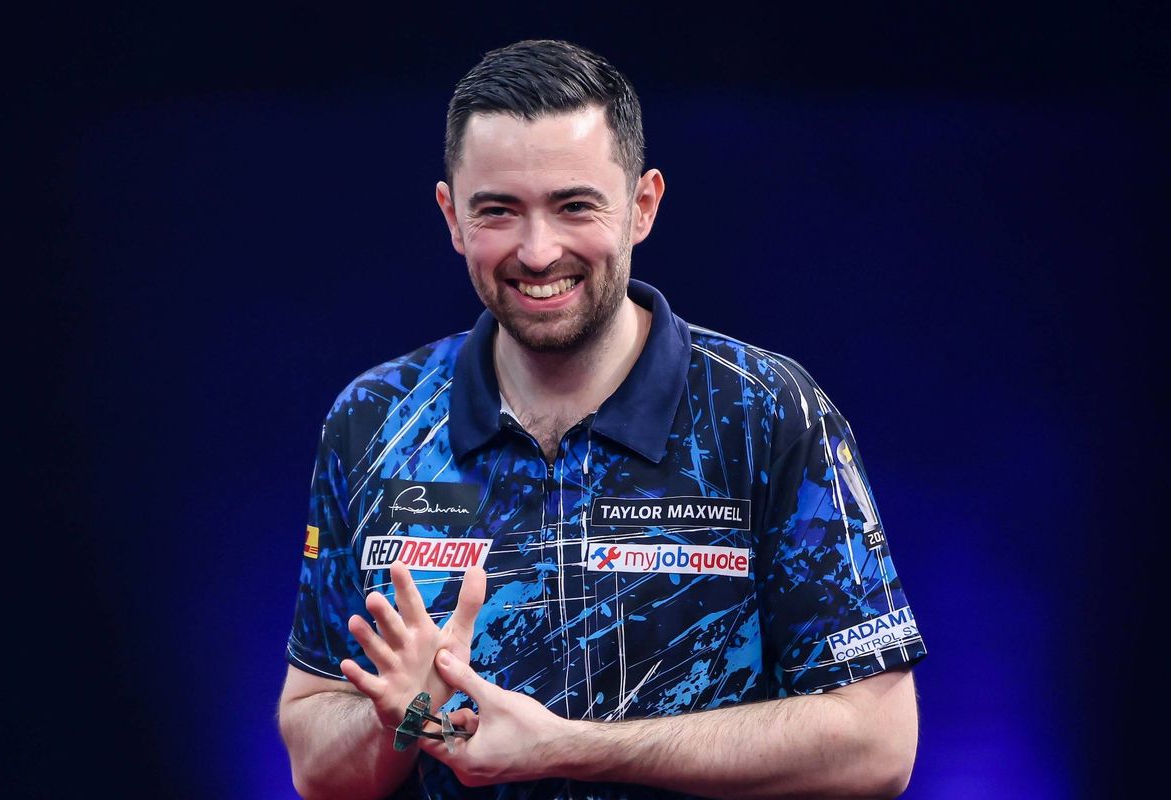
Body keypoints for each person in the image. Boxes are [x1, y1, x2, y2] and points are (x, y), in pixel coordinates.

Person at [278, 39, 927, 800]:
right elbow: (317, 765)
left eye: (574, 206)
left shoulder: (765, 412)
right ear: (452, 216)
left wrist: (569, 748)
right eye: (498, 210)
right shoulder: (374, 419)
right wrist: (405, 715)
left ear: (643, 206)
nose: (537, 251)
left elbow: (876, 745)